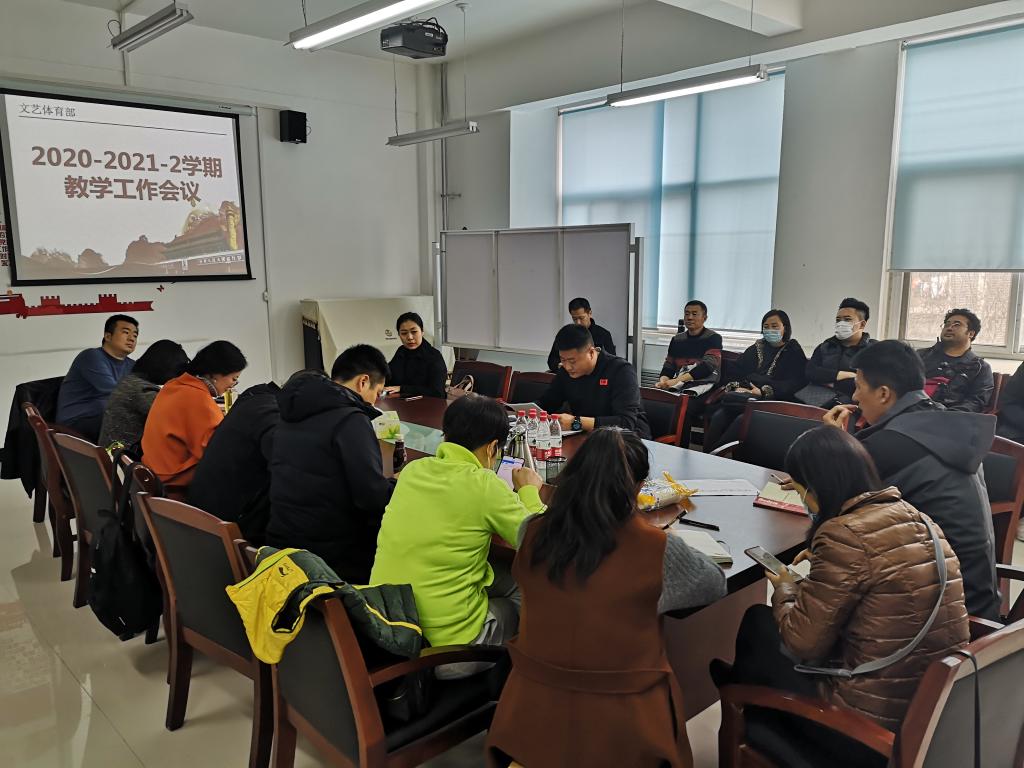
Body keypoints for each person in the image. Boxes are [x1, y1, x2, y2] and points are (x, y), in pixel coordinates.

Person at [714, 427, 968, 767]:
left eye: (800, 491)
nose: (803, 501)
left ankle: (744, 698)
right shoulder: (919, 519)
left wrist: (785, 586)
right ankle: (741, 684)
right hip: (929, 714)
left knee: (759, 623)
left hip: (866, 731)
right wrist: (826, 567)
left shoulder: (843, 534)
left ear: (817, 487)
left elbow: (801, 643)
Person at [485, 428, 726, 768]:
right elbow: (714, 583)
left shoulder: (532, 531)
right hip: (626, 729)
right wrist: (669, 541)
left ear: (572, 476)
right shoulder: (656, 548)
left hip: (532, 718)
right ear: (638, 489)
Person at [822, 340, 1000, 620]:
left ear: (883, 393)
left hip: (932, 616)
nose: (855, 397)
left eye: (858, 386)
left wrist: (833, 444)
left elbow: (833, 520)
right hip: (977, 602)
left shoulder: (891, 445)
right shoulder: (943, 425)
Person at [371, 394, 546, 653]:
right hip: (446, 649)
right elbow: (544, 543)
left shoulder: (412, 470)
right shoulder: (484, 485)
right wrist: (529, 491)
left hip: (387, 623)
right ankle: (520, 667)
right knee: (528, 586)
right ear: (492, 447)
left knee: (499, 570)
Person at [266, 345, 396, 584]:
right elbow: (372, 498)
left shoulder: (290, 414)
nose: (375, 401)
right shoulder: (350, 420)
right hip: (330, 559)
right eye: (377, 392)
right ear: (363, 382)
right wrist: (401, 485)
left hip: (282, 547)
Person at [188, 370, 324, 543]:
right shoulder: (272, 415)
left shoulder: (254, 401)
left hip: (204, 519)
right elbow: (291, 470)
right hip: (228, 531)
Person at [141, 341, 247, 487]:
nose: (233, 385)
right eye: (234, 379)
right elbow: (216, 452)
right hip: (174, 484)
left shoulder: (174, 385)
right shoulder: (198, 399)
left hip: (154, 474)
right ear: (215, 374)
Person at [704, 309, 807, 452]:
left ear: (785, 327)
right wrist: (740, 387)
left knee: (742, 421)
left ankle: (714, 456)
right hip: (745, 399)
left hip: (774, 403)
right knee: (718, 417)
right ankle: (708, 455)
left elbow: (794, 384)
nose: (770, 330)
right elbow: (736, 372)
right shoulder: (756, 348)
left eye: (775, 326)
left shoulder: (793, 351)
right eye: (766, 327)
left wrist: (763, 391)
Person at [537, 324, 650, 439]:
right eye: (563, 360)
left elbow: (626, 423)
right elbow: (547, 403)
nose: (567, 367)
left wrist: (575, 422)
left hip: (627, 440)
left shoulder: (621, 370)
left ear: (591, 353)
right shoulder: (566, 372)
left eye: (572, 361)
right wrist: (529, 411)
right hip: (588, 437)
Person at [56, 314, 139, 442]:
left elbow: (142, 389)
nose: (131, 338)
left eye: (135, 335)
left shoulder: (132, 365)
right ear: (108, 336)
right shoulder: (91, 356)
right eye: (126, 332)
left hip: (106, 418)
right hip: (77, 421)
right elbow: (113, 390)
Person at [98, 340, 189, 451]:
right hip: (124, 457)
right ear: (165, 368)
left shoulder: (130, 381)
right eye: (178, 372)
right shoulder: (142, 390)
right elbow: (178, 417)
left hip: (113, 452)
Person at [800, 297, 876, 407]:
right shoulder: (825, 346)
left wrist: (826, 378)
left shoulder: (873, 350)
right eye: (838, 320)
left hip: (851, 407)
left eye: (847, 319)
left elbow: (868, 384)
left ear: (862, 324)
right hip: (815, 401)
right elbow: (810, 372)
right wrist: (842, 375)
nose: (841, 323)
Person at [917, 308, 994, 412]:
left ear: (971, 334)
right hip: (911, 410)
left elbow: (976, 402)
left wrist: (948, 415)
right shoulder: (920, 356)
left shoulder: (980, 368)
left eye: (957, 325)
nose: (949, 328)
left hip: (950, 417)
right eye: (947, 325)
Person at [655, 300, 723, 397]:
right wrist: (663, 381)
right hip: (680, 384)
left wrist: (677, 380)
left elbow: (708, 366)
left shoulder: (713, 338)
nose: (690, 317)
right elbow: (669, 366)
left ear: (704, 318)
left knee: (681, 401)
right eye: (687, 314)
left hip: (703, 384)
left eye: (694, 314)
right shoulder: (677, 339)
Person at [382, 312, 447, 399]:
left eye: (414, 332)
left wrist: (402, 388)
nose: (410, 337)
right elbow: (388, 376)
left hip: (427, 404)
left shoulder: (434, 356)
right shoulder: (401, 351)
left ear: (422, 332)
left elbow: (437, 392)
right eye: (404, 333)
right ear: (399, 334)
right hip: (400, 402)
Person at [546, 297, 617, 373]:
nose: (578, 322)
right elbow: (551, 361)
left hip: (592, 377)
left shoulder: (603, 335)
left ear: (590, 313)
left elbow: (611, 363)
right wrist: (561, 365)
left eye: (581, 318)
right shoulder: (565, 334)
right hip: (568, 375)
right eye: (574, 319)